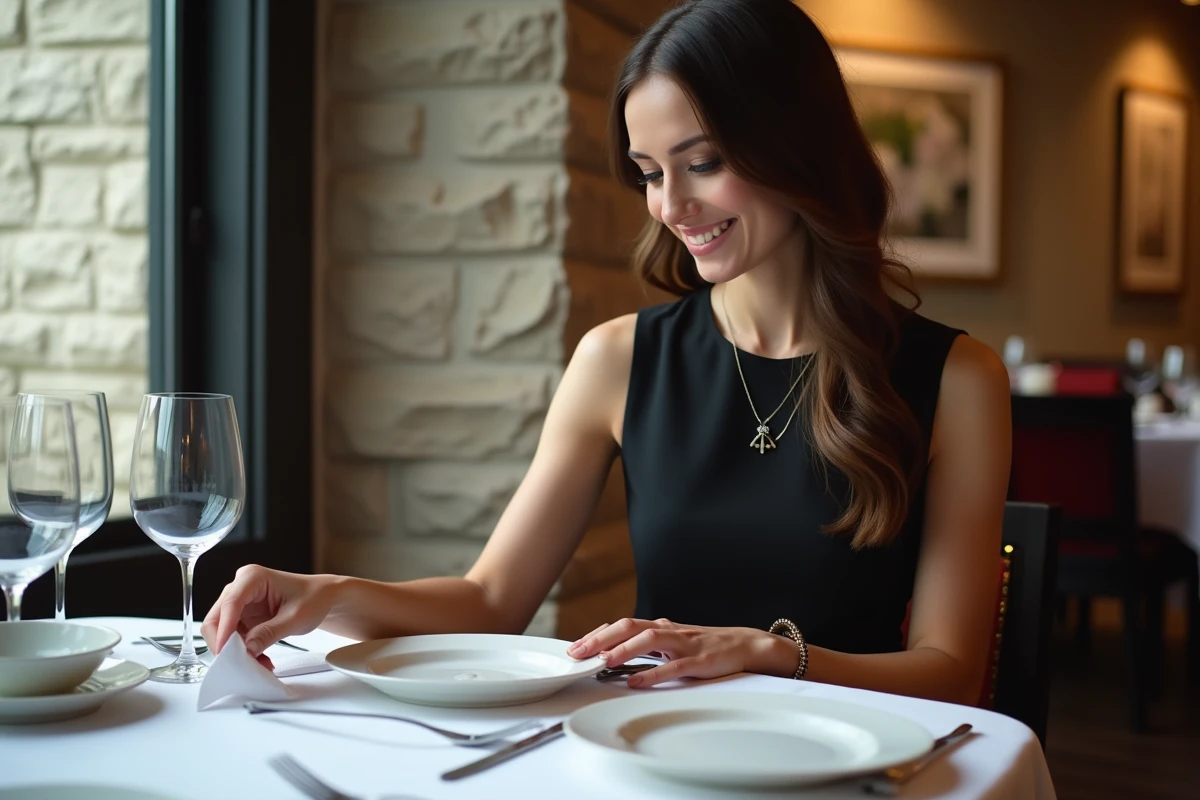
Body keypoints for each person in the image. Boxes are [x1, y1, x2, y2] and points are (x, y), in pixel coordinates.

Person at [202, 0, 1011, 705]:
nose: (671, 206)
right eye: (649, 173)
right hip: (652, 747)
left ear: (796, 146)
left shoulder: (958, 379)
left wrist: (773, 656)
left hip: (852, 760)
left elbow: (950, 673)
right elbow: (490, 600)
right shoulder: (618, 359)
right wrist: (327, 593)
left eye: (703, 164)